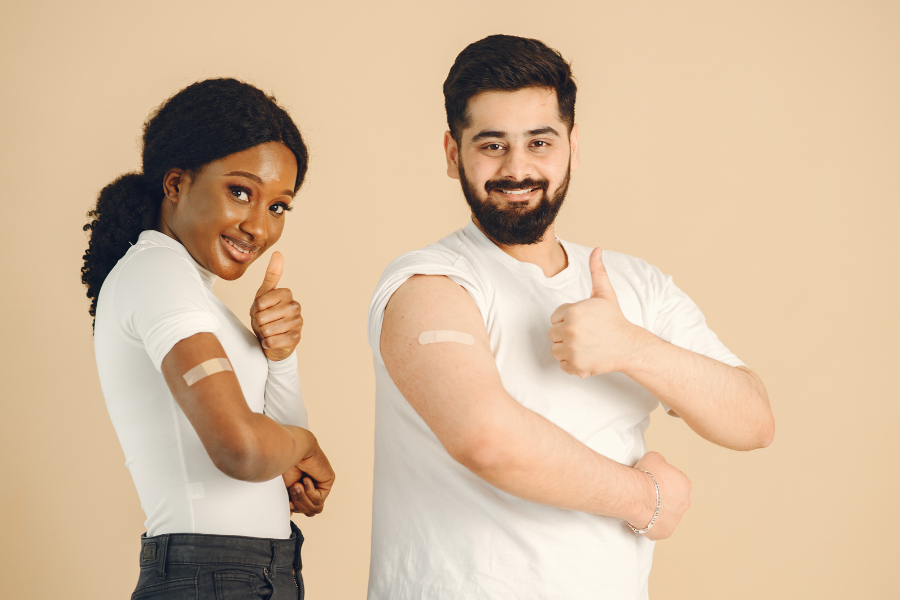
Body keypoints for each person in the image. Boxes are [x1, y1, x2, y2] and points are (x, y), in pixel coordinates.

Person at [366, 35, 775, 599]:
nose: (517, 168)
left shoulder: (635, 284)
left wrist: (633, 347)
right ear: (451, 152)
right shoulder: (429, 285)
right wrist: (646, 500)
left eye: (540, 142)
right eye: (491, 145)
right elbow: (486, 439)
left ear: (573, 146)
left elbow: (752, 421)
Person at [82, 78, 333, 600]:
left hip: (255, 571)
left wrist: (278, 357)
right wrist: (304, 446)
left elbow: (276, 463)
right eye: (240, 192)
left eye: (278, 206)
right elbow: (241, 449)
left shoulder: (194, 298)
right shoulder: (158, 275)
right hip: (212, 577)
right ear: (176, 183)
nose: (257, 227)